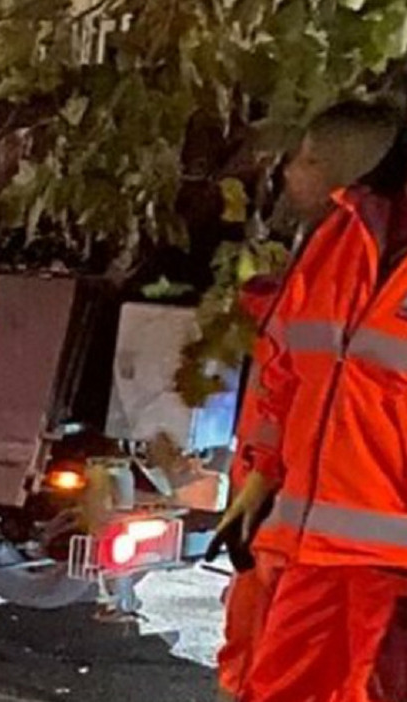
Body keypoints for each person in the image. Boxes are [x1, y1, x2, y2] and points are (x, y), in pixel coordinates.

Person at [216, 98, 407, 702]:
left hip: (388, 576)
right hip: (312, 558)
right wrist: (260, 478)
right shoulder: (342, 235)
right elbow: (286, 373)